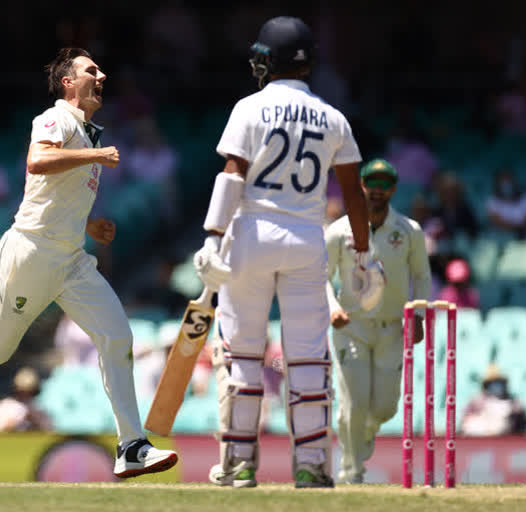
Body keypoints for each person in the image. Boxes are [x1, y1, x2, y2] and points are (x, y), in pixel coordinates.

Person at [0, 48, 177, 478]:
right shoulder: (56, 118)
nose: (101, 75)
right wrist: (94, 158)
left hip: (71, 259)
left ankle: (133, 445)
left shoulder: (88, 134)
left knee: (117, 336)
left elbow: (59, 198)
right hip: (31, 252)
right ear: (68, 82)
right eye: (91, 70)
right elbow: (37, 161)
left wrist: (92, 224)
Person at [194, 17, 374, 489]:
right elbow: (353, 191)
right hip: (306, 239)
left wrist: (213, 236)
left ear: (268, 60)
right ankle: (313, 466)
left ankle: (238, 465)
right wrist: (361, 252)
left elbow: (233, 173)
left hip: (250, 234)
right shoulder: (333, 116)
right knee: (308, 359)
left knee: (242, 354)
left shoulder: (249, 107)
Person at [325, 158, 432, 484]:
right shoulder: (339, 231)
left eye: (384, 184)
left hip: (391, 328)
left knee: (385, 408)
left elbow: (421, 276)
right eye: (372, 183)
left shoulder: (408, 231)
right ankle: (351, 470)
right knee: (353, 402)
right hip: (351, 327)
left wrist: (418, 315)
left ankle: (365, 431)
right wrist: (332, 308)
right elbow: (320, 277)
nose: (377, 190)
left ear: (393, 190)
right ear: (362, 186)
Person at [461, 363, 526, 436]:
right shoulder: (478, 400)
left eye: (499, 383)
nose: (497, 386)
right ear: (487, 385)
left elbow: (524, 423)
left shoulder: (513, 401)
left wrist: (514, 412)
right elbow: (465, 421)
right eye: (493, 383)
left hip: (505, 438)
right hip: (480, 437)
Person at [0, 367, 52, 433]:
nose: (26, 394)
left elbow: (48, 430)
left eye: (30, 392)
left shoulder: (37, 407)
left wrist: (33, 419)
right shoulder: (5, 406)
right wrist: (14, 422)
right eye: (23, 391)